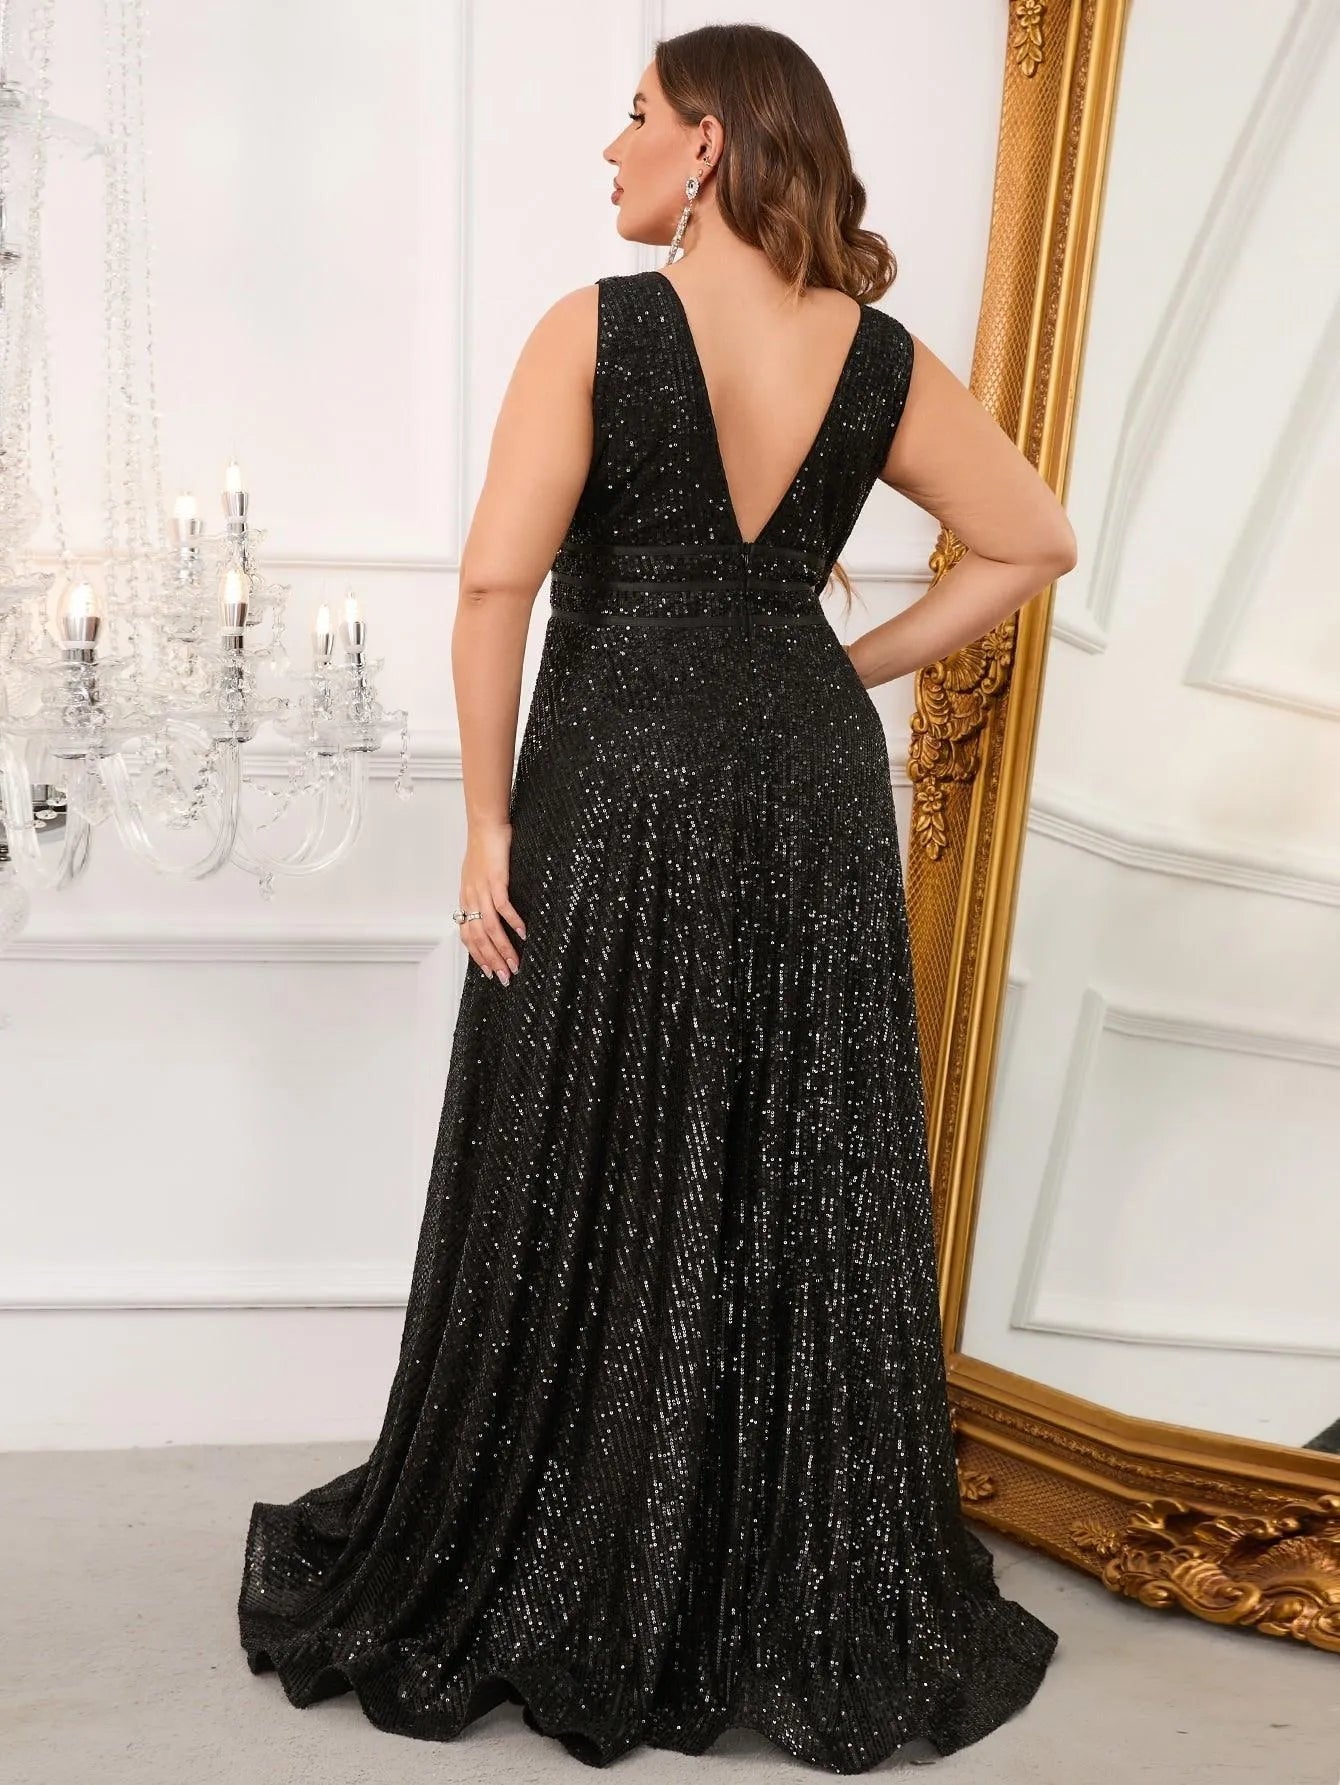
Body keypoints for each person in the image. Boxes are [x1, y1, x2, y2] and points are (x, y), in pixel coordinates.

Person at [237, 22, 1077, 1774]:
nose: (609, 148)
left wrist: (484, 823)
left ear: (707, 146)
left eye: (634, 117)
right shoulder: (880, 358)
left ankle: (566, 1543)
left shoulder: (598, 329)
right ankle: (755, 1561)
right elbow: (1031, 541)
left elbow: (495, 586)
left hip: (615, 787)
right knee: (784, 1150)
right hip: (806, 791)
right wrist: (835, 667)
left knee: (587, 1135)